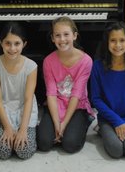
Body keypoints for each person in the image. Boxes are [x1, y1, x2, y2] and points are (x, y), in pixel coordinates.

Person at [90, 21, 125, 159]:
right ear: (107, 42)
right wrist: (117, 121)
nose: (118, 45)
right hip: (108, 117)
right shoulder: (98, 66)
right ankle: (102, 128)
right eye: (113, 41)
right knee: (116, 150)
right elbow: (96, 99)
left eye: (122, 40)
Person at [37, 17, 94, 153]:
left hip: (77, 105)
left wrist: (64, 125)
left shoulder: (86, 61)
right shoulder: (48, 61)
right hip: (56, 103)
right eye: (57, 35)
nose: (62, 39)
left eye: (66, 34)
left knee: (70, 145)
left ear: (74, 35)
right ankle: (57, 126)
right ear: (52, 38)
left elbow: (76, 95)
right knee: (44, 144)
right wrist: (57, 124)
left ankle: (85, 120)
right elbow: (51, 94)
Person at [0, 22, 38, 159]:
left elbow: (28, 100)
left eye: (17, 43)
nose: (12, 48)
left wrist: (22, 130)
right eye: (7, 43)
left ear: (24, 44)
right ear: (1, 43)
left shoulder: (31, 66)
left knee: (24, 151)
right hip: (4, 110)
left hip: (25, 111)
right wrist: (8, 128)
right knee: (3, 152)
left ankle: (30, 130)